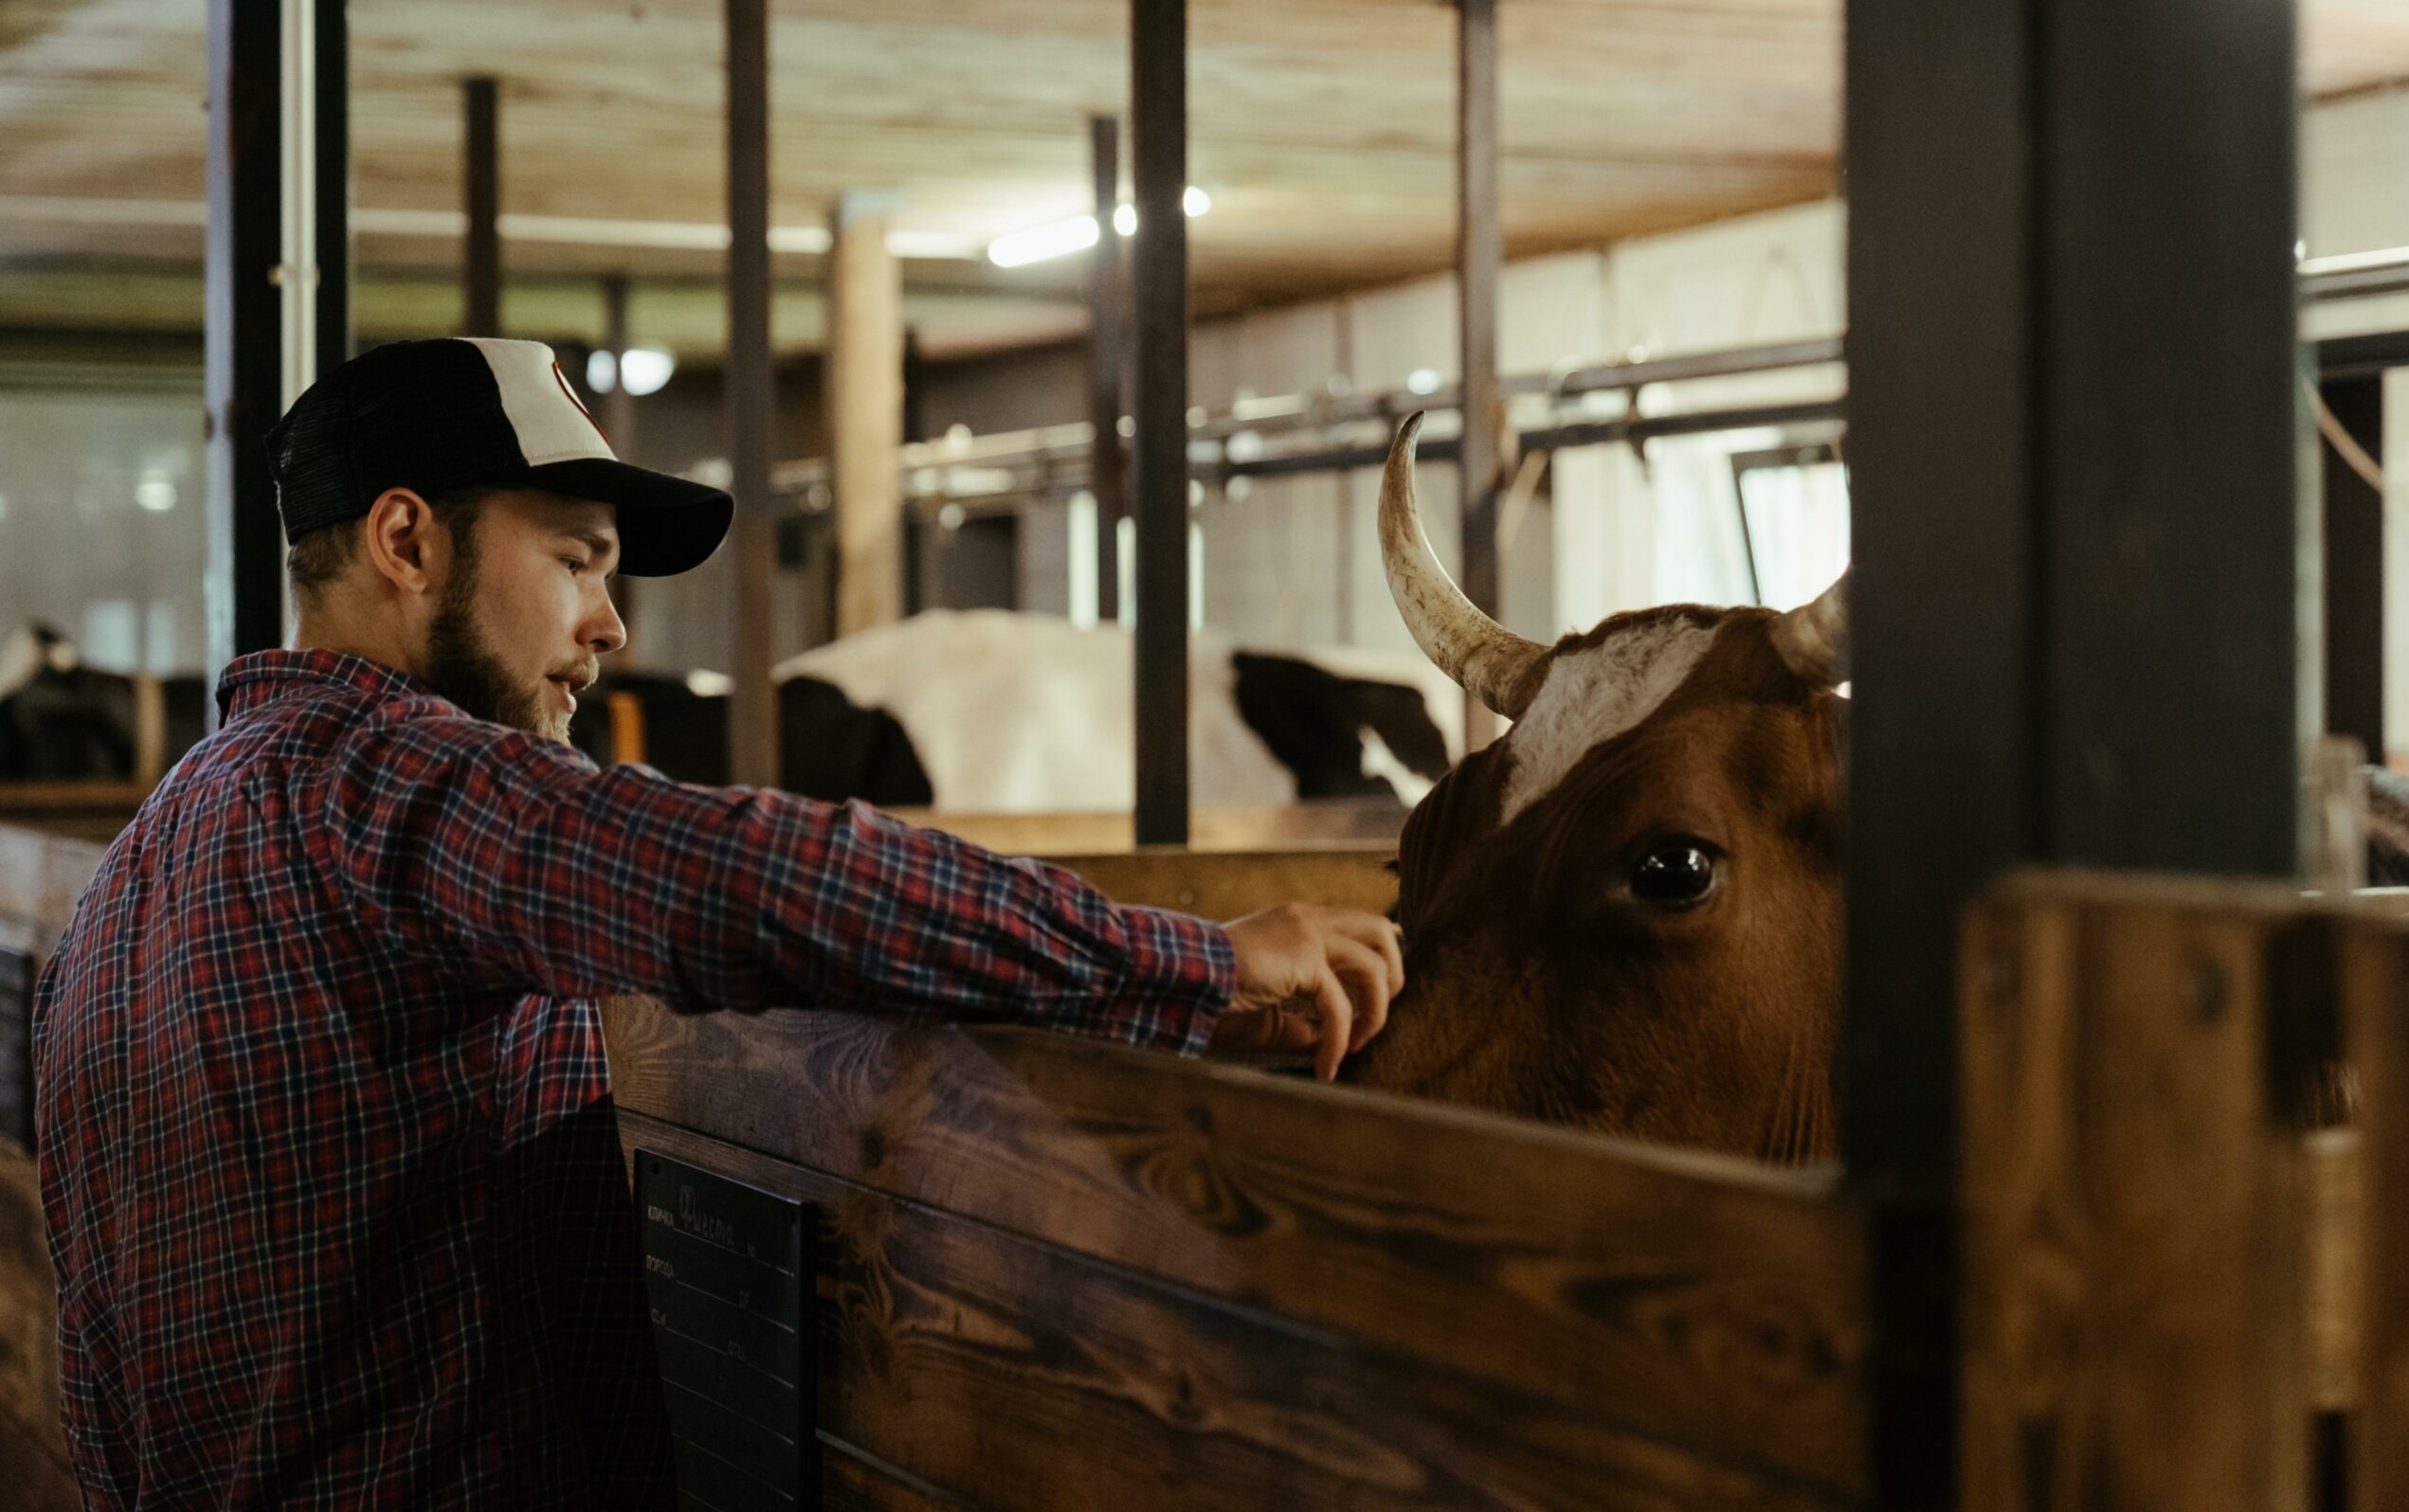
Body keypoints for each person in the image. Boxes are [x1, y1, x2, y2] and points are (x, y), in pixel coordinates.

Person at [33, 337, 1404, 1510]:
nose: (610, 625)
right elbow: (757, 883)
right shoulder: (399, 789)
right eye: (576, 562)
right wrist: (1194, 960)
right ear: (408, 542)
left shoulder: (139, 868)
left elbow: (89, 1375)